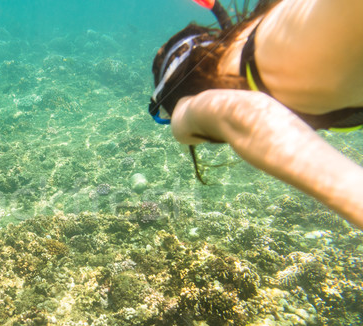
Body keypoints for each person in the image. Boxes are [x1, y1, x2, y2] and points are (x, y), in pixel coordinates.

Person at [149, 0, 363, 229]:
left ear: (173, 91)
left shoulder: (184, 113)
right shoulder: (266, 23)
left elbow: (241, 114)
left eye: (165, 113)